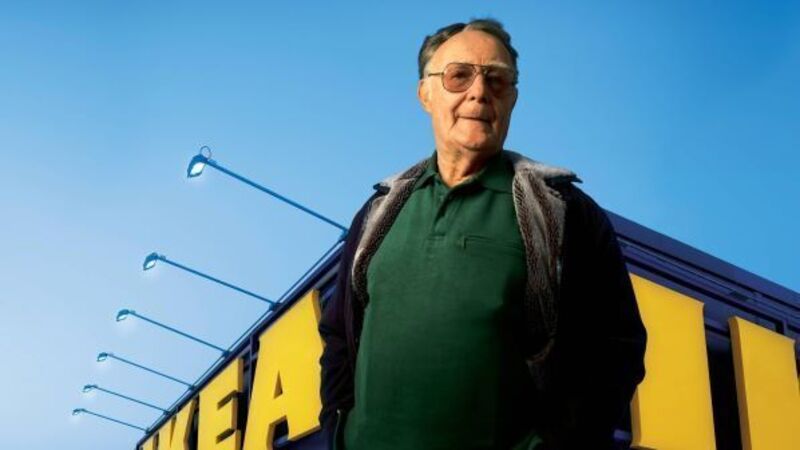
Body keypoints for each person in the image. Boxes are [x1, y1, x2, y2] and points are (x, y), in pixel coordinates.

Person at [318, 18, 647, 450]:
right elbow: (339, 336)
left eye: (497, 79)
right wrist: (337, 429)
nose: (479, 92)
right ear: (425, 93)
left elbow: (617, 348)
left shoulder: (563, 211)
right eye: (459, 76)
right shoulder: (378, 211)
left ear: (512, 98)